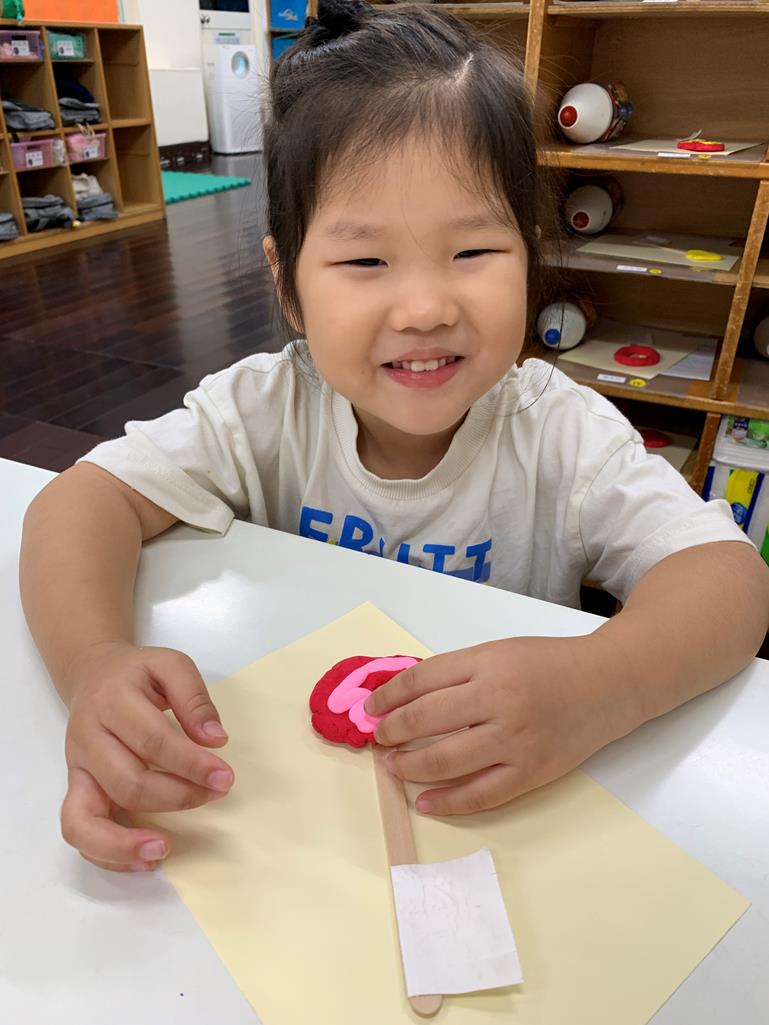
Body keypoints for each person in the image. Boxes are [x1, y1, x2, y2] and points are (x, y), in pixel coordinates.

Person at [20, 0, 769, 874]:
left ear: (529, 257)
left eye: (472, 252)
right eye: (365, 261)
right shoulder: (264, 408)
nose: (423, 309)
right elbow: (82, 502)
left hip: (505, 821)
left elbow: (729, 581)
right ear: (288, 285)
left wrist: (602, 684)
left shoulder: (557, 431)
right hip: (297, 816)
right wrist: (93, 664)